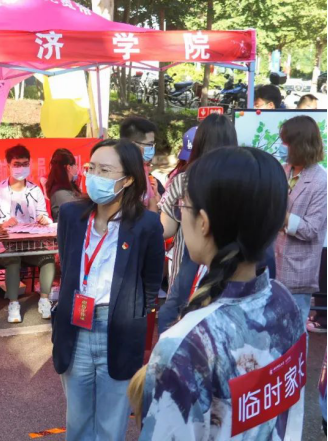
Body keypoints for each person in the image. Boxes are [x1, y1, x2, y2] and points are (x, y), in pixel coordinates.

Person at [134, 147, 306, 440]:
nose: (180, 213)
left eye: (183, 206)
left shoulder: (185, 344)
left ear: (203, 222)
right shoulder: (282, 300)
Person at [52, 139, 164, 441]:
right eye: (91, 168)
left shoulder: (146, 224)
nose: (94, 176)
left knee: (110, 424)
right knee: (77, 421)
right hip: (75, 326)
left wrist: (134, 313)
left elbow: (152, 282)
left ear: (127, 179)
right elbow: (68, 264)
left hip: (118, 329)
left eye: (105, 170)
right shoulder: (72, 215)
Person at [157, 114, 238, 334]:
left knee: (177, 317)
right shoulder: (242, 180)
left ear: (199, 142)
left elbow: (166, 229)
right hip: (233, 264)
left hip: (189, 266)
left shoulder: (184, 179)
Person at [0, 144, 56, 323]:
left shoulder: (35, 190)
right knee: (13, 259)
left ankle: (45, 300)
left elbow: (44, 216)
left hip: (31, 245)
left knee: (48, 257)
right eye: (17, 164)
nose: (21, 168)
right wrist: (3, 224)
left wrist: (44, 220)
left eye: (25, 164)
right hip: (6, 247)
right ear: (8, 165)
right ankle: (14, 304)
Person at [275, 116, 328, 322]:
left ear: (299, 145)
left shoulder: (320, 181)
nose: (281, 146)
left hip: (298, 272)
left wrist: (281, 216)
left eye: (285, 142)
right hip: (273, 267)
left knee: (294, 330)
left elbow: (312, 229)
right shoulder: (283, 170)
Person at [120, 116, 165, 212]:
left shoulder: (143, 169)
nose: (152, 148)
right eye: (149, 144)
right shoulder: (119, 174)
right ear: (133, 145)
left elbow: (151, 204)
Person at [46, 148, 81, 222]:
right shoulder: (60, 192)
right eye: (75, 164)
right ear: (69, 167)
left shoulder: (69, 187)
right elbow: (77, 212)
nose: (76, 168)